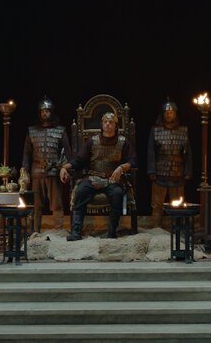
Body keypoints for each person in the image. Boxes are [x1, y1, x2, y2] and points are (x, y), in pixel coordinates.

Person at [60, 112, 137, 240]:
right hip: (93, 178)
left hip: (113, 179)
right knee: (81, 191)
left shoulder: (123, 142)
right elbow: (79, 160)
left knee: (117, 194)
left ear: (116, 125)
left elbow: (133, 160)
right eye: (105, 121)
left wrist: (122, 167)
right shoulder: (92, 141)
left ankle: (112, 233)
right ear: (101, 124)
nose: (107, 124)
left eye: (111, 122)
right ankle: (76, 232)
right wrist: (64, 167)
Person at [22, 96, 72, 232]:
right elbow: (26, 153)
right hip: (36, 172)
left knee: (57, 204)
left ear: (52, 112)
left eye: (47, 111)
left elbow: (68, 154)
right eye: (42, 111)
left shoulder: (60, 131)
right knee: (36, 205)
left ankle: (59, 231)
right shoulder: (32, 131)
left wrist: (66, 169)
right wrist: (24, 171)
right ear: (39, 113)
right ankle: (34, 232)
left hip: (54, 171)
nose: (45, 113)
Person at [147, 98, 193, 228]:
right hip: (160, 172)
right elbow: (151, 151)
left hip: (178, 173)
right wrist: (151, 170)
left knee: (177, 204)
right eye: (167, 112)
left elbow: (188, 153)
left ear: (175, 114)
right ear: (163, 114)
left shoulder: (182, 131)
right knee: (157, 204)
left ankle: (178, 229)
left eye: (171, 112)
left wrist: (188, 170)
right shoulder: (156, 130)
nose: (169, 114)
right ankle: (156, 229)